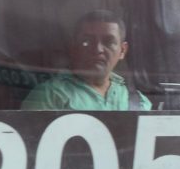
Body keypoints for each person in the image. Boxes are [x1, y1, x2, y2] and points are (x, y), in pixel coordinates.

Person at [22, 10, 151, 110]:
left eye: (108, 42)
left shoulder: (138, 101)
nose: (98, 49)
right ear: (73, 47)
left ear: (122, 50)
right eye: (86, 42)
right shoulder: (49, 96)